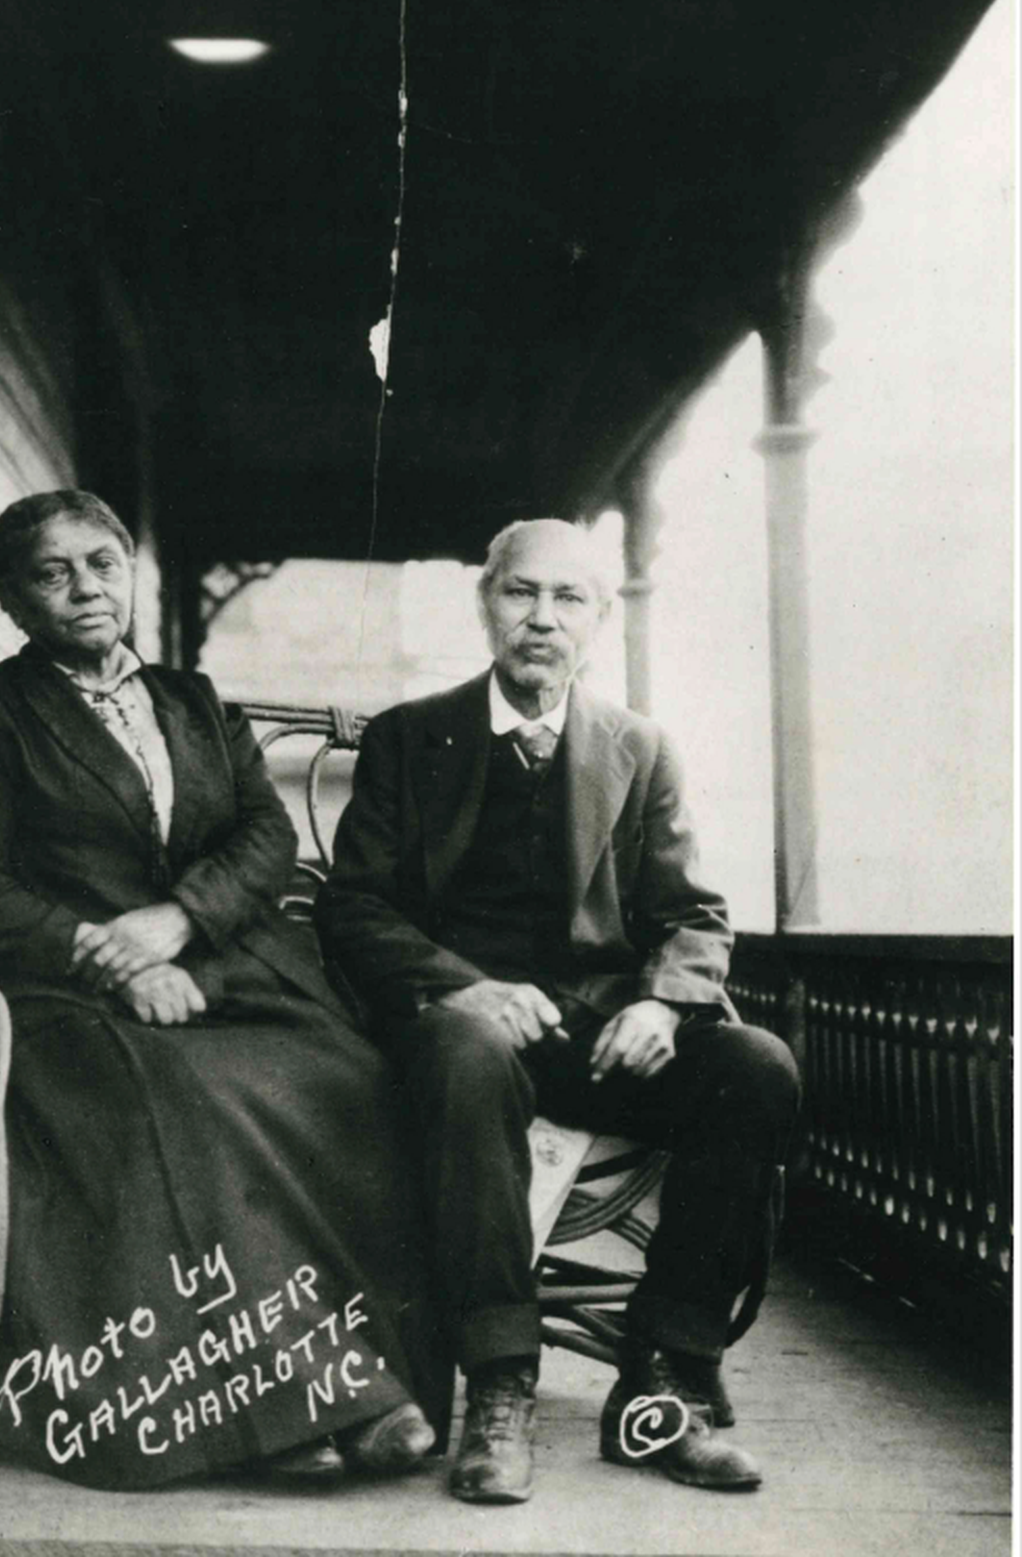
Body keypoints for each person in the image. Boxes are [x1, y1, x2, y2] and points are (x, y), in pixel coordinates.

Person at [0, 490, 447, 1490]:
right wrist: (102, 950)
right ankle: (296, 1410)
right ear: (12, 598)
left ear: (131, 574)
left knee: (352, 1079)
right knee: (194, 1103)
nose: (84, 589)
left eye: (101, 564)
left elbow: (264, 835)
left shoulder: (195, 702)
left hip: (224, 965)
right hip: (63, 996)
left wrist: (180, 923)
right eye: (51, 574)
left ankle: (370, 1376)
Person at [317, 518, 799, 1505]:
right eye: (520, 594)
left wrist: (665, 1007)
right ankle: (501, 1380)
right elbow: (354, 906)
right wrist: (464, 983)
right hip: (456, 1029)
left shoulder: (640, 746)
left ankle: (665, 1374)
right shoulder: (412, 738)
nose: (541, 618)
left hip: (603, 1032)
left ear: (599, 619)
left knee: (756, 1068)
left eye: (567, 598)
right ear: (486, 604)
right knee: (466, 1046)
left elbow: (695, 914)